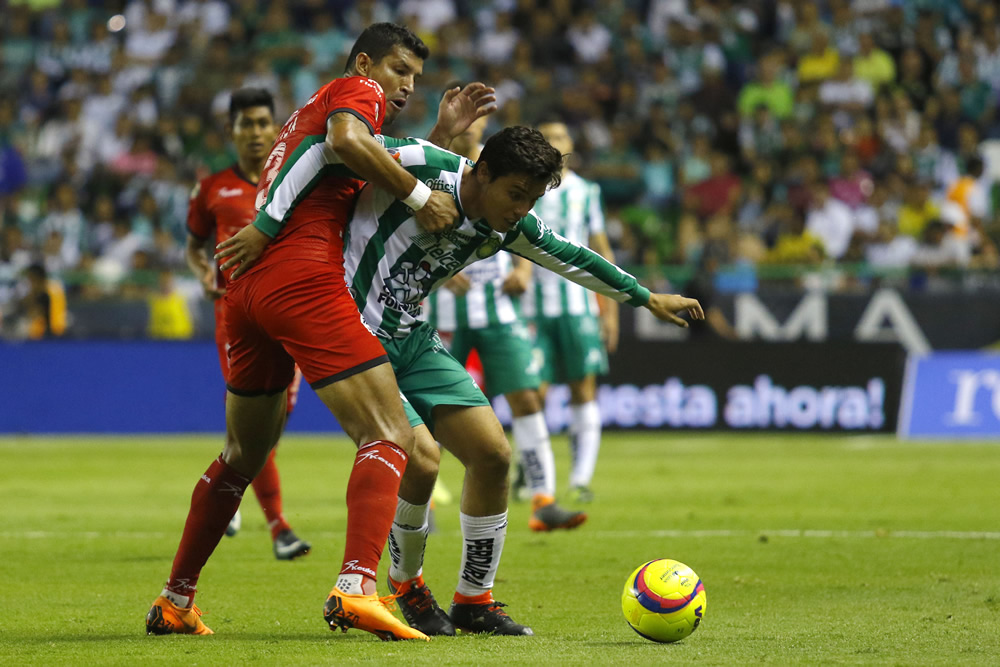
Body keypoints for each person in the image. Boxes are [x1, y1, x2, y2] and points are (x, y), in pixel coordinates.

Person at [145, 23, 495, 642]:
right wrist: (419, 195)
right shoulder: (353, 91)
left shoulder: (339, 110)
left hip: (248, 290)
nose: (405, 85)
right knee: (392, 435)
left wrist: (441, 139)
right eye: (397, 70)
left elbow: (359, 164)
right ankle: (358, 586)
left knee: (241, 456)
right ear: (364, 62)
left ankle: (176, 599)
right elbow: (349, 141)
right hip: (302, 276)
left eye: (413, 76)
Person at [343, 127, 703, 637]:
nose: (521, 208)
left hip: (411, 336)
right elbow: (342, 146)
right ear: (482, 172)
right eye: (515, 194)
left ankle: (474, 599)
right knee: (421, 457)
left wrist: (645, 298)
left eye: (532, 199)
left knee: (493, 455)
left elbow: (574, 256)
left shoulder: (505, 227)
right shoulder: (423, 165)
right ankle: (407, 586)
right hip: (353, 334)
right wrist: (270, 226)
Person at [425, 112, 586, 533]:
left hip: (497, 307)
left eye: (479, 129)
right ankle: (421, 501)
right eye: (467, 127)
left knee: (527, 398)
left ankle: (543, 497)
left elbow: (524, 227)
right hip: (441, 313)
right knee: (426, 410)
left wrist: (526, 271)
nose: (472, 134)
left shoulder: (504, 177)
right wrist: (441, 267)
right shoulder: (432, 168)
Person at [184, 87, 310, 561]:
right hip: (235, 318)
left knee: (269, 427)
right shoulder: (212, 188)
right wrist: (201, 274)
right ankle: (280, 528)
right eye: (246, 124)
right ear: (231, 130)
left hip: (290, 312)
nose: (255, 133)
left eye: (263, 123)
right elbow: (194, 247)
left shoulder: (294, 180)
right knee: (261, 419)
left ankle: (227, 477)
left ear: (275, 128)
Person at [529, 119, 619, 503]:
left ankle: (580, 479)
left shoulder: (586, 191)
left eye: (562, 136)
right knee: (533, 396)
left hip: (579, 306)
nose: (556, 143)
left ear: (571, 145)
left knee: (584, 389)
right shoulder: (525, 189)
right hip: (532, 308)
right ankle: (536, 471)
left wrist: (610, 310)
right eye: (548, 137)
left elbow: (601, 249)